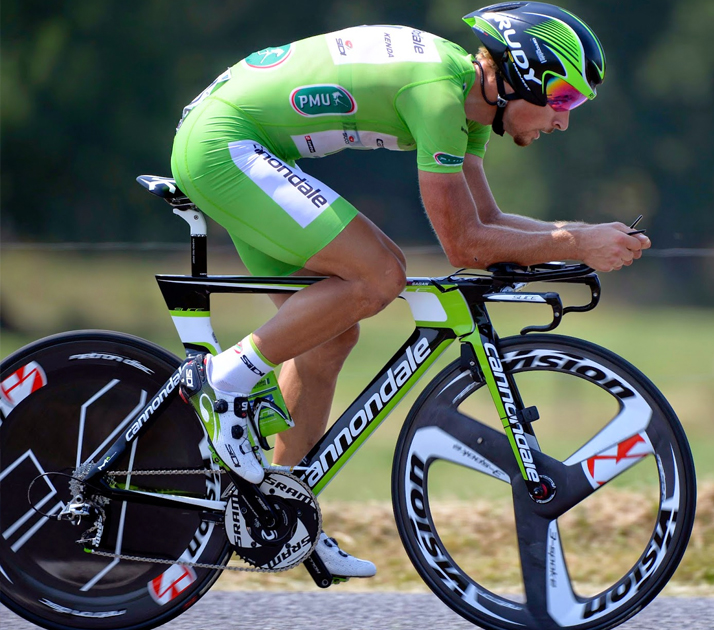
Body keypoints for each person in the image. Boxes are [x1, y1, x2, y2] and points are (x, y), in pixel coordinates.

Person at [172, 2, 651, 580]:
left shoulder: (470, 107)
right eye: (563, 99)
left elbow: (489, 219)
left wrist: (581, 236)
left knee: (329, 338)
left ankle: (282, 513)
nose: (564, 120)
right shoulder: (441, 96)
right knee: (381, 275)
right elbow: (466, 246)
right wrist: (576, 243)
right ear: (524, 74)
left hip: (238, 143)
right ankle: (220, 379)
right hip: (226, 144)